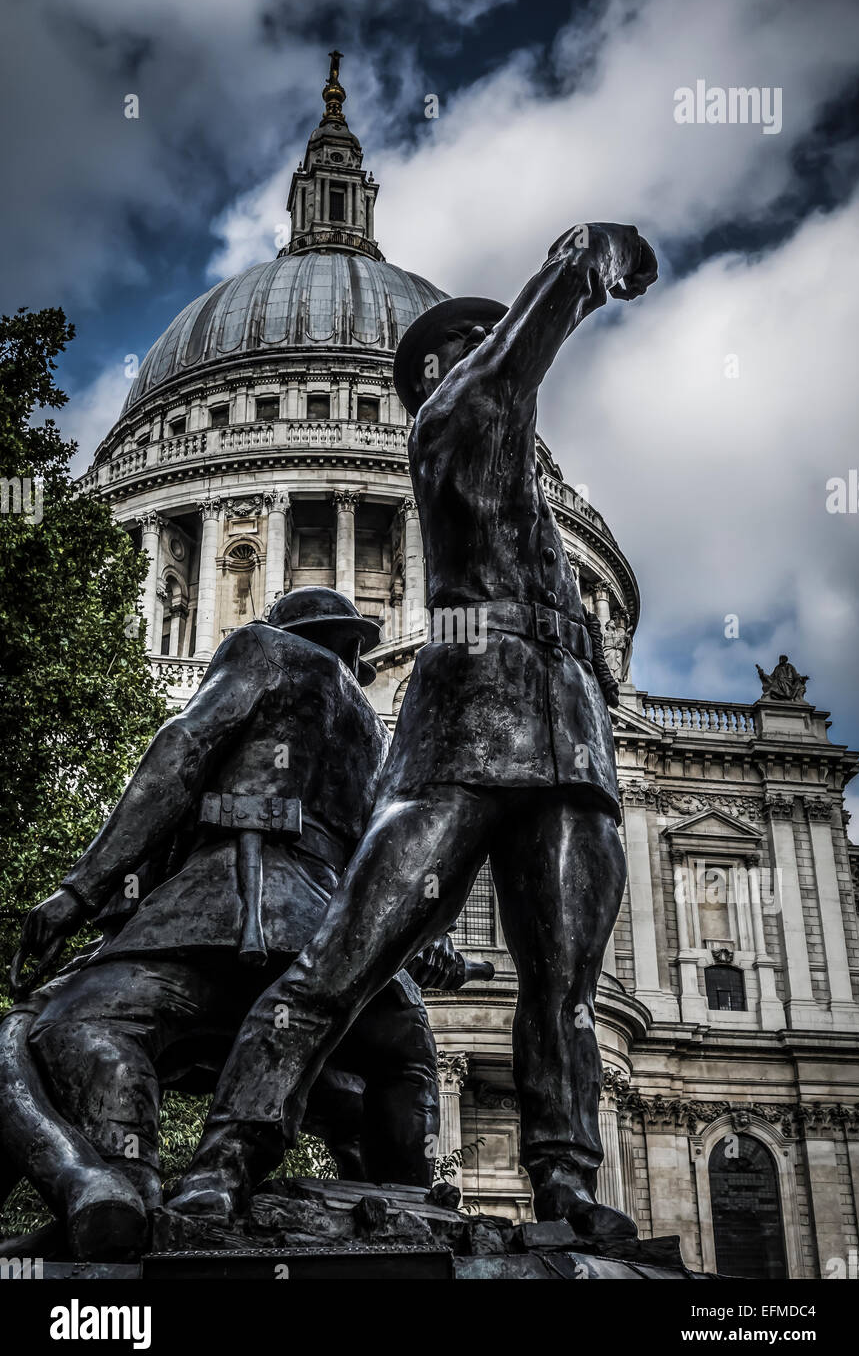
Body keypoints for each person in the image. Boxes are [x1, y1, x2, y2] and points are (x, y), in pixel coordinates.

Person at [170, 222, 658, 1241]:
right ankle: (225, 1155)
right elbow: (506, 371)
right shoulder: (452, 425)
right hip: (457, 739)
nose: (496, 364)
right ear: (441, 371)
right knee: (343, 958)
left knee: (563, 990)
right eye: (475, 347)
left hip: (566, 745)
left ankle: (563, 1179)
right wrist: (578, 264)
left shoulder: (526, 495)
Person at [6, 587, 464, 1260]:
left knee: (78, 1026)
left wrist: (78, 893)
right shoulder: (376, 731)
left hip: (232, 915)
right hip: (345, 952)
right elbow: (404, 847)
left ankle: (126, 1192)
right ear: (351, 646)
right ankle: (404, 1211)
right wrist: (426, 939)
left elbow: (181, 753)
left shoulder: (265, 651)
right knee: (392, 1065)